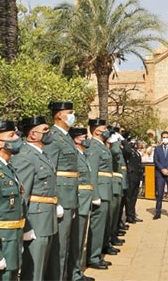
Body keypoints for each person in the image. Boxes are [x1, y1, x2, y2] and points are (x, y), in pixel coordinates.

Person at [12, 115, 59, 281]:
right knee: (34, 269)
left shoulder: (42, 154)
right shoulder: (25, 156)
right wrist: (24, 226)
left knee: (44, 265)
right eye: (45, 130)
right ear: (33, 135)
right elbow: (22, 194)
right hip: (36, 218)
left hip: (47, 216)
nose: (49, 133)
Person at [0, 119, 27, 281]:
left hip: (13, 241)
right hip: (1, 243)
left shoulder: (7, 167)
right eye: (12, 135)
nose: (17, 138)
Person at [43, 101, 79, 281]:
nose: (73, 116)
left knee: (67, 243)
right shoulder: (52, 137)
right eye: (70, 112)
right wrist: (54, 199)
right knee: (60, 246)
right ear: (59, 115)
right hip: (62, 198)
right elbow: (50, 171)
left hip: (71, 196)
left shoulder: (65, 137)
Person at [85, 118, 115, 269]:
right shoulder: (93, 147)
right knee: (97, 226)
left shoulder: (102, 146)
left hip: (106, 189)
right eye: (104, 128)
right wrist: (94, 194)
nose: (107, 130)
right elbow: (92, 173)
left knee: (103, 224)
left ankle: (99, 252)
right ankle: (93, 257)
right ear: (97, 130)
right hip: (100, 192)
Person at [72, 127, 100, 278]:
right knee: (76, 240)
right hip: (79, 200)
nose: (87, 140)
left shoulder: (82, 155)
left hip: (85, 200)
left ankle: (76, 271)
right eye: (84, 137)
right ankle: (74, 273)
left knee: (80, 237)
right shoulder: (75, 156)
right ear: (77, 139)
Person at [153, 130, 168, 220]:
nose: (165, 139)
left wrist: (167, 169)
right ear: (161, 138)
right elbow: (156, 160)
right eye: (163, 137)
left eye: (166, 137)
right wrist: (162, 169)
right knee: (159, 194)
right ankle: (158, 212)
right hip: (160, 174)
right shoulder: (157, 149)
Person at [124, 140, 145, 223]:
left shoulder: (136, 152)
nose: (135, 144)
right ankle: (129, 216)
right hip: (131, 176)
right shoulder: (129, 152)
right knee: (129, 197)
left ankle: (133, 214)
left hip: (137, 176)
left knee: (134, 197)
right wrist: (125, 142)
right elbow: (127, 150)